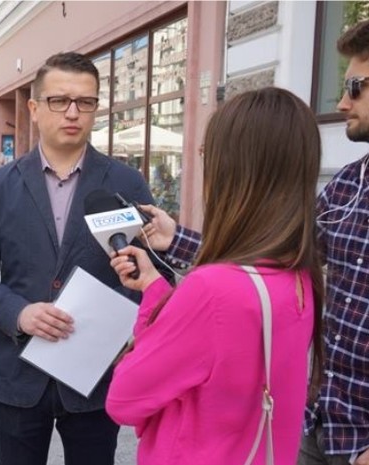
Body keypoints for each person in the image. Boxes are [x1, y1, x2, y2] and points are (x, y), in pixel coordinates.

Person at [138, 21, 369, 465]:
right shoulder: (347, 185)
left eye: (355, 87)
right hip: (320, 423)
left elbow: (127, 397)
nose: (342, 103)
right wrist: (177, 240)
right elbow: (274, 259)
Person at [104, 87, 324, 464]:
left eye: (207, 153)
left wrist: (153, 314)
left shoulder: (212, 290)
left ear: (232, 169)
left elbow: (124, 399)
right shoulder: (300, 273)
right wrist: (155, 288)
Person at [0, 51, 155, 465]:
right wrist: (19, 313)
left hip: (95, 377)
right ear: (34, 108)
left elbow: (149, 273)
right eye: (59, 100)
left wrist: (130, 329)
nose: (73, 112)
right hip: (19, 375)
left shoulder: (126, 183)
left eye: (85, 102)